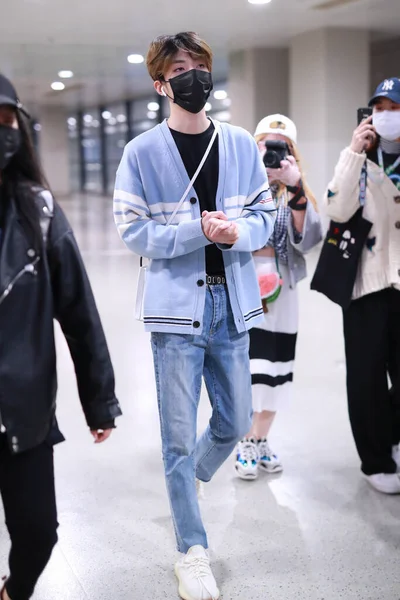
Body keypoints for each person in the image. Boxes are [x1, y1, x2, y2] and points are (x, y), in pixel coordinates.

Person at [113, 31, 275, 600]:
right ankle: (192, 549)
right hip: (175, 312)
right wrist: (194, 231)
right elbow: (131, 229)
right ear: (161, 84)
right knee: (177, 441)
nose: (194, 76)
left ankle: (192, 483)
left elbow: (264, 213)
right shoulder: (140, 152)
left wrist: (238, 232)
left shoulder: (236, 144)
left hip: (229, 302)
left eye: (200, 66)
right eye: (180, 68)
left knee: (233, 423)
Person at [0, 73, 122, 600]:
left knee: (37, 533)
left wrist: (99, 401)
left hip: (22, 411)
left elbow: (79, 312)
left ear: (18, 127)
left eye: (2, 118)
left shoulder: (40, 210)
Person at [323, 77, 400, 494]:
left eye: (395, 107)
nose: (386, 115)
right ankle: (375, 460)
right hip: (366, 283)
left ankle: (391, 433)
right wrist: (354, 153)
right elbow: (336, 207)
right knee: (367, 377)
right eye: (380, 107)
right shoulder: (358, 160)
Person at [234, 115, 322, 480]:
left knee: (276, 374)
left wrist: (295, 186)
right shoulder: (236, 187)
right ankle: (245, 442)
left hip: (282, 295)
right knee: (248, 374)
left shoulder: (296, 194)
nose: (270, 153)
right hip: (242, 291)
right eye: (264, 145)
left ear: (292, 154)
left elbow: (310, 237)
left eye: (278, 146)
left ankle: (259, 439)